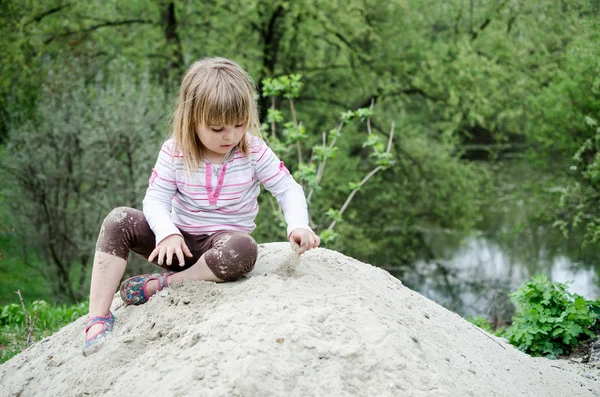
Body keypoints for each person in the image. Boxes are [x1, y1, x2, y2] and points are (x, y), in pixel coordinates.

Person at [83, 57, 320, 356]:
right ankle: (98, 318)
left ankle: (163, 285)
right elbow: (155, 199)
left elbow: (287, 188)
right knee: (118, 219)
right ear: (192, 119)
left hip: (220, 252)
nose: (230, 135)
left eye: (238, 124)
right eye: (217, 127)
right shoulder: (175, 151)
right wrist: (168, 232)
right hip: (175, 245)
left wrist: (298, 223)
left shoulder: (253, 151)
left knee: (244, 248)